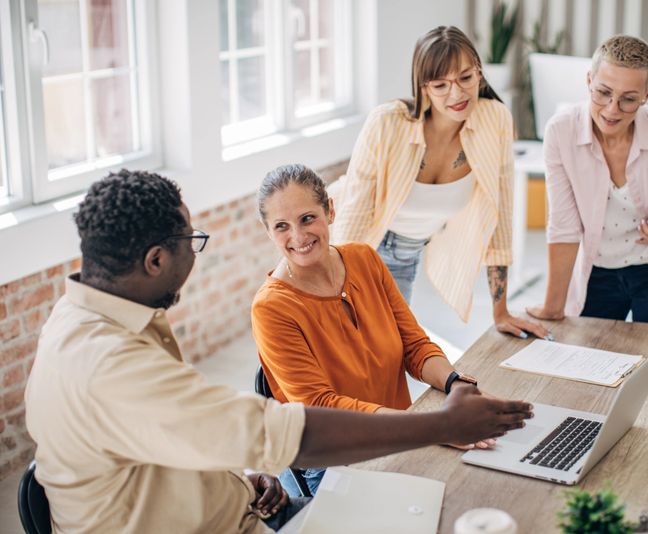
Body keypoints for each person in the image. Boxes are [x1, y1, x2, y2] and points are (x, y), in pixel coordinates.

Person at [24, 169, 533, 533]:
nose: (298, 236)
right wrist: (442, 426)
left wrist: (238, 481)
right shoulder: (108, 363)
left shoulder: (104, 320)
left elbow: (172, 431)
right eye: (191, 242)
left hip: (248, 505)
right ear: (156, 259)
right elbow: (289, 431)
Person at [252, 164, 507, 496]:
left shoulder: (364, 260)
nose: (298, 237)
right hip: (335, 461)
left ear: (329, 209)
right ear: (267, 230)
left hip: (401, 434)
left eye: (307, 218)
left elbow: (414, 345)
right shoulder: (271, 308)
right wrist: (430, 427)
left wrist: (456, 384)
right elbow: (320, 405)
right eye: (281, 226)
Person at [331, 25, 547, 340]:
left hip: (408, 255)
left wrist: (500, 312)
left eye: (465, 78)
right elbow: (355, 215)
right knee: (347, 350)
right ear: (424, 88)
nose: (457, 94)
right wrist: (339, 293)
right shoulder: (388, 123)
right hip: (353, 250)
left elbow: (498, 215)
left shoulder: (495, 120)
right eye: (441, 84)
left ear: (480, 75)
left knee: (389, 355)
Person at [527, 35, 648, 328]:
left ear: (647, 95)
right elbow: (563, 225)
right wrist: (553, 306)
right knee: (588, 359)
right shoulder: (561, 132)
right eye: (602, 92)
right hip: (597, 267)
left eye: (628, 99)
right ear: (589, 80)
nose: (612, 110)